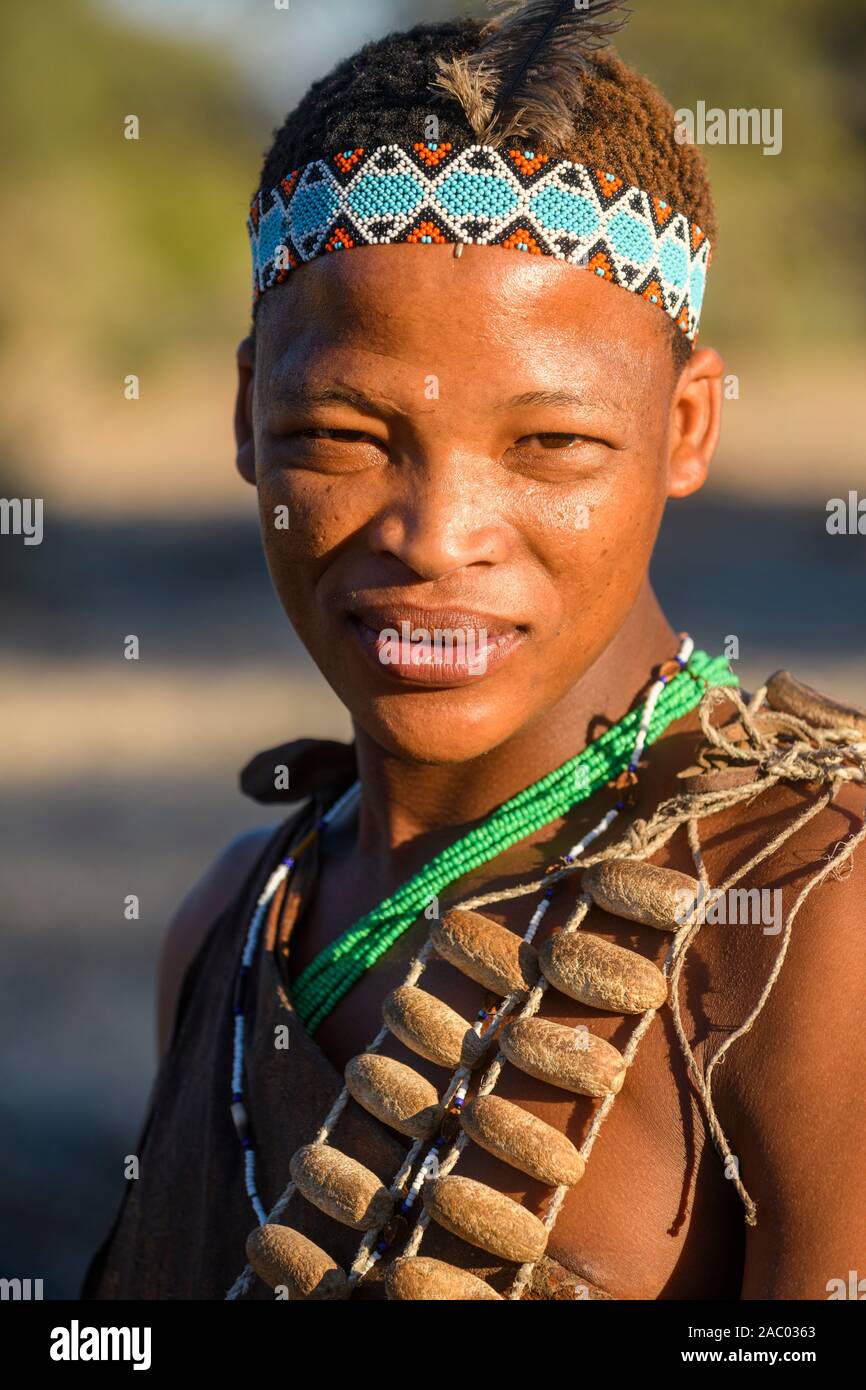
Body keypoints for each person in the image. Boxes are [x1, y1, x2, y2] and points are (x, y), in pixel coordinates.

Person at [83, 3, 866, 1301]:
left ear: (683, 425)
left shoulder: (807, 913)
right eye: (340, 435)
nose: (435, 536)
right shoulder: (237, 916)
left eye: (551, 444)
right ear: (244, 415)